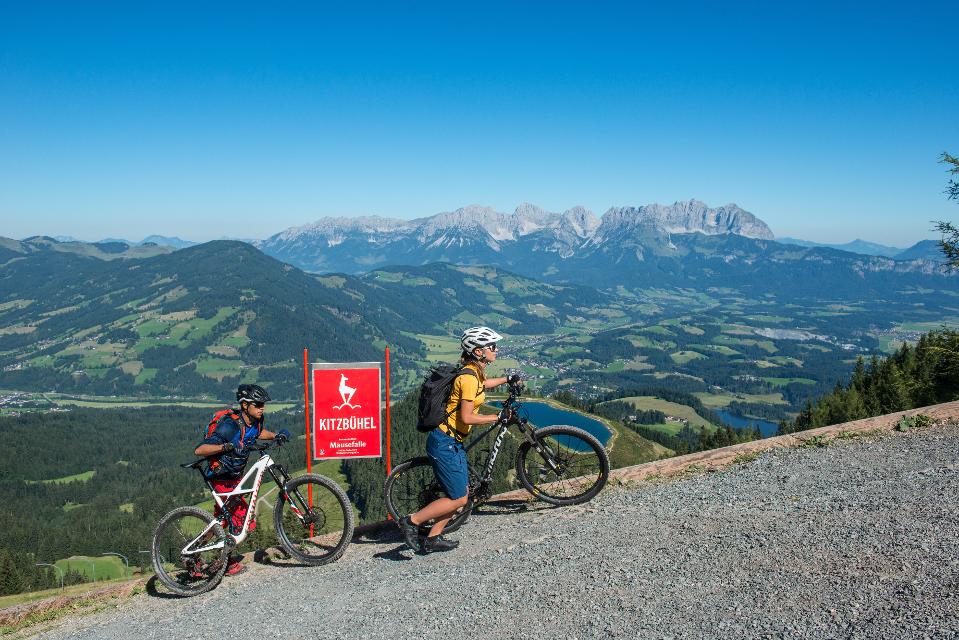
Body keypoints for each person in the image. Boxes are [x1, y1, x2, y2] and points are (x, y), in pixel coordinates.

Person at [397, 326, 518, 553]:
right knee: (459, 499)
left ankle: (433, 538)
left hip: (453, 441)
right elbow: (467, 416)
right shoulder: (468, 377)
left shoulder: (473, 372)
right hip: (444, 442)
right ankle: (411, 521)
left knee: (461, 493)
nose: (497, 349)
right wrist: (497, 416)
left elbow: (483, 386)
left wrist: (507, 379)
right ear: (479, 352)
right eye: (492, 346)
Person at [194, 383, 290, 575]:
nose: (262, 407)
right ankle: (225, 562)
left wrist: (275, 436)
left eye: (263, 404)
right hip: (221, 478)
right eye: (258, 404)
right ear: (245, 405)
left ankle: (193, 556)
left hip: (234, 478)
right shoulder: (230, 425)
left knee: (221, 521)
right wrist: (226, 447)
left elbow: (258, 433)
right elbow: (200, 450)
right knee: (241, 522)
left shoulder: (255, 421)